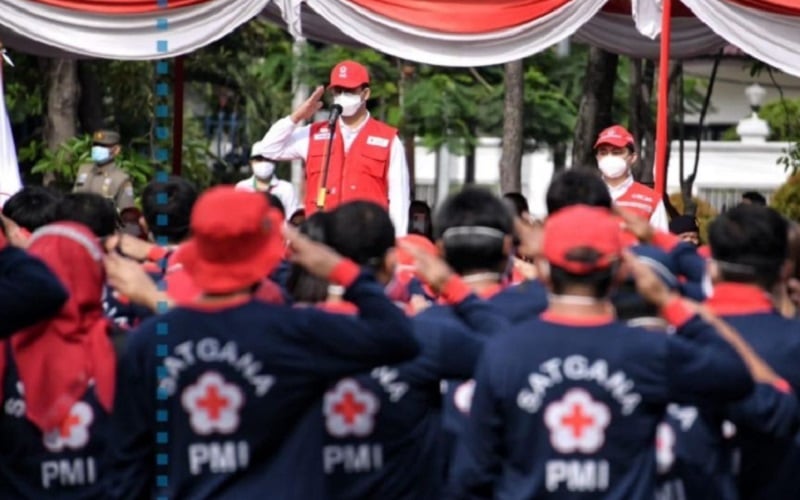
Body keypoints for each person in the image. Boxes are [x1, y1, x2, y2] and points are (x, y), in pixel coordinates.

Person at [105, 187, 419, 499]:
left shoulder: (150, 342)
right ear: (264, 254)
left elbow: (128, 467)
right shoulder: (293, 330)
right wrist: (340, 269)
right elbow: (397, 338)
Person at [449, 204, 757, 499]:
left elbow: (471, 474)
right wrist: (670, 303)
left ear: (542, 269)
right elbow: (735, 373)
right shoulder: (649, 350)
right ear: (621, 271)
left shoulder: (505, 350)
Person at [255, 60, 410, 236]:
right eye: (338, 91)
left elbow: (399, 199)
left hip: (366, 242)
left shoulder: (388, 139)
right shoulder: (314, 134)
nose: (342, 96)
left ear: (365, 93)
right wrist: (297, 116)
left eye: (349, 90)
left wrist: (397, 245)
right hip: (322, 242)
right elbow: (268, 149)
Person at [594, 125, 668, 231]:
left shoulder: (651, 199)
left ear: (632, 158)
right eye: (603, 153)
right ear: (597, 157)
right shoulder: (582, 196)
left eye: (616, 152)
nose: (609, 157)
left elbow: (661, 241)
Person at [73, 130, 136, 213]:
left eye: (103, 146)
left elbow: (127, 214)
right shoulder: (83, 170)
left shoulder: (121, 179)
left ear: (116, 150)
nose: (97, 149)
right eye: (95, 145)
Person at [235, 143, 298, 220]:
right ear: (251, 162)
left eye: (267, 159)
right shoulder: (242, 187)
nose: (263, 163)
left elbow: (292, 219)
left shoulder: (286, 189)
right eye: (259, 159)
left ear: (274, 161)